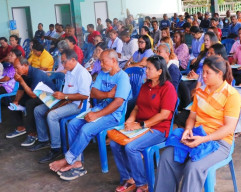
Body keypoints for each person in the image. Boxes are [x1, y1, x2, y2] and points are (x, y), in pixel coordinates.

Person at [155, 56, 241, 192]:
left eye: (207, 73)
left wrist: (204, 139)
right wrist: (188, 129)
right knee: (167, 157)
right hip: (196, 136)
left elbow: (229, 128)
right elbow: (192, 117)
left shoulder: (232, 95)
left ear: (219, 74)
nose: (203, 76)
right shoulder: (201, 92)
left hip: (219, 142)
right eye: (203, 72)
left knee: (193, 167)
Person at [49, 49, 131, 181]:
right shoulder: (103, 73)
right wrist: (108, 95)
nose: (101, 64)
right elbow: (92, 93)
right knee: (73, 124)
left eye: (103, 61)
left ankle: (68, 160)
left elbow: (117, 103)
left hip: (114, 115)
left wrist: (97, 115)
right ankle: (77, 162)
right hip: (99, 109)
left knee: (86, 129)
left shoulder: (123, 78)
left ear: (114, 61)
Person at [111, 55, 177, 192]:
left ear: (159, 71)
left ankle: (142, 183)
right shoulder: (145, 86)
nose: (146, 71)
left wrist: (141, 125)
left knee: (131, 147)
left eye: (149, 68)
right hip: (140, 125)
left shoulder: (167, 88)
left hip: (158, 129)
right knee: (114, 142)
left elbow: (164, 114)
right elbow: (137, 107)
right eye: (146, 67)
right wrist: (130, 119)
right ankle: (129, 178)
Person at [31, 49, 92, 163]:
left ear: (73, 60)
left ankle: (56, 148)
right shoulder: (69, 71)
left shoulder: (82, 73)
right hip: (65, 100)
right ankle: (44, 140)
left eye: (64, 62)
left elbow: (84, 96)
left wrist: (64, 96)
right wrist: (56, 96)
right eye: (62, 62)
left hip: (78, 105)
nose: (62, 65)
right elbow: (66, 92)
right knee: (38, 110)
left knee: (52, 115)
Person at [6, 57, 57, 146]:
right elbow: (21, 90)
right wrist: (16, 101)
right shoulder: (23, 73)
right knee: (15, 101)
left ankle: (33, 134)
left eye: (17, 67)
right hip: (37, 94)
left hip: (48, 97)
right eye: (14, 68)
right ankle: (21, 127)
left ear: (25, 65)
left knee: (29, 103)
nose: (15, 70)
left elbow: (33, 95)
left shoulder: (36, 74)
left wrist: (21, 81)